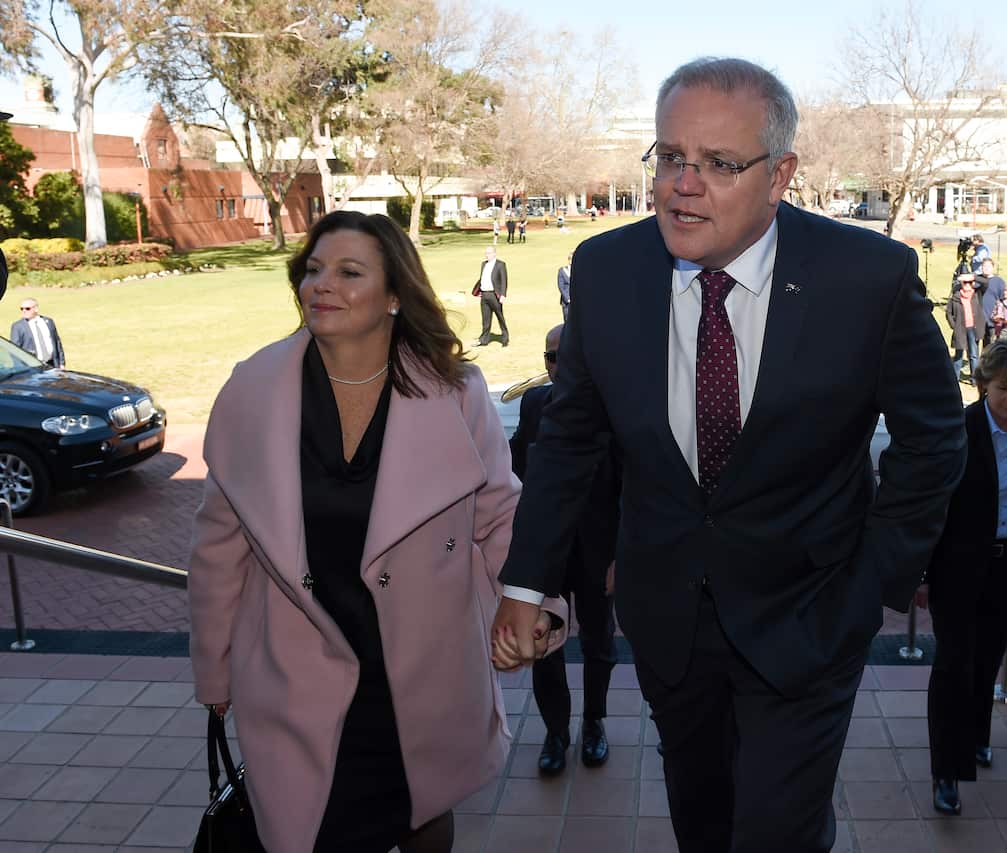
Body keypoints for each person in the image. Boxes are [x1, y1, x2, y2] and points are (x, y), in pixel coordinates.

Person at [490, 57, 966, 852]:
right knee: (702, 820)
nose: (684, 183)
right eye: (670, 157)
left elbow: (935, 439)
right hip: (671, 617)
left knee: (779, 831)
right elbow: (570, 439)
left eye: (718, 164)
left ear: (780, 174)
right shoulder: (607, 271)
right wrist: (527, 581)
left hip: (811, 612)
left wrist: (869, 586)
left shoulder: (867, 277)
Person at [187, 211, 567, 853]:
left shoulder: (456, 391)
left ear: (395, 295)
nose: (320, 285)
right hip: (296, 675)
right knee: (312, 829)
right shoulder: (252, 391)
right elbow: (218, 551)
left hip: (422, 672)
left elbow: (501, 514)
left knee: (423, 814)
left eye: (348, 271)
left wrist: (538, 606)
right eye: (312, 270)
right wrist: (216, 675)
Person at [921, 337, 1007, 816]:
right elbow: (933, 505)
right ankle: (946, 771)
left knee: (986, 660)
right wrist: (920, 573)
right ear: (983, 385)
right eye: (1002, 389)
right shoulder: (961, 430)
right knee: (953, 664)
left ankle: (976, 736)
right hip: (957, 567)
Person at [509, 324, 620, 776]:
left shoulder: (615, 410)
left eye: (563, 357)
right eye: (549, 356)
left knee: (599, 645)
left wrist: (621, 554)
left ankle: (594, 722)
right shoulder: (535, 404)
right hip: (548, 556)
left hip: (598, 551)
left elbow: (631, 487)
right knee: (543, 645)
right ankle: (556, 732)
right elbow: (515, 471)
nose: (554, 365)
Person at [11, 298, 66, 368]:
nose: (24, 311)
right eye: (22, 309)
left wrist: (61, 363)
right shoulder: (18, 326)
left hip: (52, 364)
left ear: (36, 309)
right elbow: (15, 350)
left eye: (27, 308)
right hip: (33, 367)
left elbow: (57, 343)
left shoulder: (49, 322)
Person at [947, 273, 981, 382]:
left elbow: (986, 283)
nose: (967, 285)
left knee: (973, 355)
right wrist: (954, 325)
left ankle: (974, 379)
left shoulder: (976, 294)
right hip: (960, 329)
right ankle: (955, 378)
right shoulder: (956, 296)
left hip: (973, 328)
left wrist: (972, 277)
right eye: (965, 282)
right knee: (958, 355)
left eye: (970, 283)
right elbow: (948, 313)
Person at [474, 246, 509, 347]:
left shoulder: (500, 265)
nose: (487, 255)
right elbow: (482, 278)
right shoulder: (483, 264)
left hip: (494, 295)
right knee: (485, 319)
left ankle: (505, 338)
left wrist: (503, 295)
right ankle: (483, 340)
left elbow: (504, 281)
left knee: (500, 317)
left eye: (489, 253)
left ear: (494, 254)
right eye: (486, 253)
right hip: (484, 295)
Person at [556, 252, 572, 323]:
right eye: (571, 259)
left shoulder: (578, 271)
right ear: (569, 260)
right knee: (567, 321)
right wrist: (568, 299)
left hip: (577, 302)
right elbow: (561, 286)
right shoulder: (562, 271)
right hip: (566, 302)